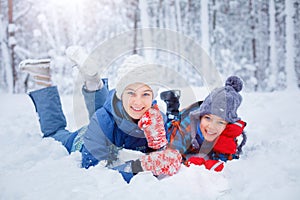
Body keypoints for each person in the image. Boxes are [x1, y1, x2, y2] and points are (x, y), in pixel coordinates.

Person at [19, 48, 182, 183]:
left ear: (153, 96)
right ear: (121, 92)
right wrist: (141, 167)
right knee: (55, 133)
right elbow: (93, 167)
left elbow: (167, 152)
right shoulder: (103, 121)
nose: (139, 102)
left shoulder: (157, 117)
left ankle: (93, 83)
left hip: (108, 128)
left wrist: (158, 143)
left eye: (146, 94)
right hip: (84, 141)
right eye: (131, 92)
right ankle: (42, 78)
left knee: (112, 114)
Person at [164, 76, 247, 172]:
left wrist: (214, 162)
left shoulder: (227, 131)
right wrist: (187, 163)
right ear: (200, 116)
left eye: (220, 122)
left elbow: (228, 157)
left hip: (203, 111)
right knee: (168, 126)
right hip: (182, 121)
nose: (211, 126)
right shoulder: (187, 127)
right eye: (208, 118)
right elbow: (171, 153)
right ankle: (172, 105)